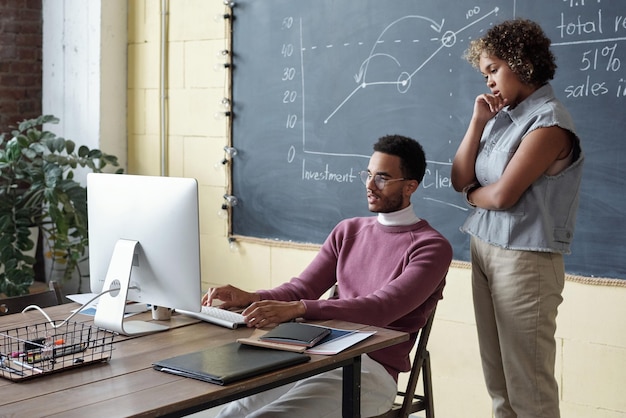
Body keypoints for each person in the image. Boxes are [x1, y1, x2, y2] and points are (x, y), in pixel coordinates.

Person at [204, 134, 452, 417]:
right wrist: (253, 297)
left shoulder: (431, 246)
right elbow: (303, 287)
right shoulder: (349, 230)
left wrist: (299, 309)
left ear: (410, 187)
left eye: (382, 178)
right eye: (368, 175)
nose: (370, 186)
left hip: (370, 371)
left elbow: (381, 308)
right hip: (314, 355)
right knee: (228, 413)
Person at [451, 19, 584, 418]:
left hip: (525, 260)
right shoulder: (500, 118)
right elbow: (460, 176)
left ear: (521, 63)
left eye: (494, 69)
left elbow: (503, 194)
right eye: (484, 73)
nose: (489, 81)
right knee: (499, 384)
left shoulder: (550, 122)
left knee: (529, 388)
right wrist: (477, 122)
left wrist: (474, 195)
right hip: (485, 248)